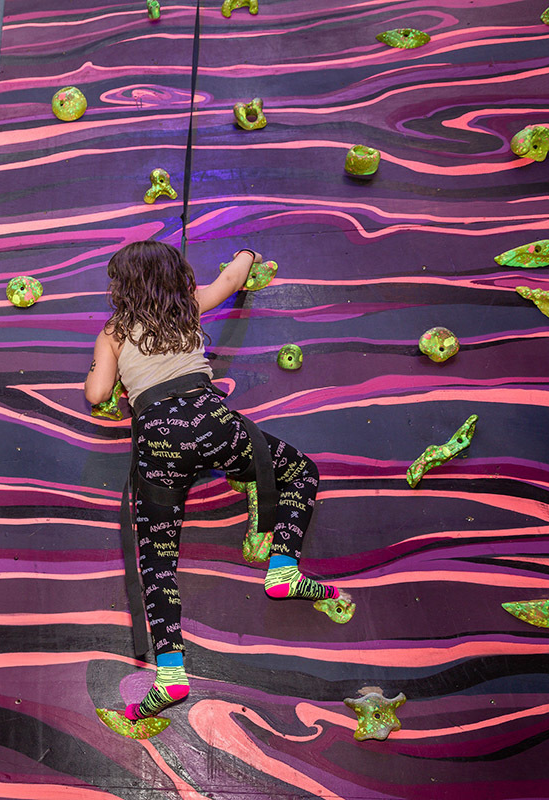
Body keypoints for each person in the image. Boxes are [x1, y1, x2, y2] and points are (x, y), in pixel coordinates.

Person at [84, 240, 352, 721]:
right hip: (210, 424)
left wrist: (106, 367)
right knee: (300, 471)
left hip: (159, 443)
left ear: (122, 286)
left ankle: (170, 674)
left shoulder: (114, 331)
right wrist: (248, 253)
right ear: (172, 277)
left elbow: (98, 391)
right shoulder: (186, 308)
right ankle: (284, 567)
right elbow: (231, 280)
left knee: (157, 558)